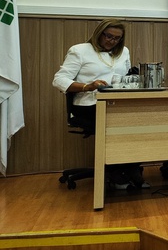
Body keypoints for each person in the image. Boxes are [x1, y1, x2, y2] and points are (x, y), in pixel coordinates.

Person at [52, 19, 147, 189]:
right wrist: (87, 86)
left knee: (142, 120)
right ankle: (119, 173)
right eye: (108, 36)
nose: (112, 41)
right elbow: (59, 80)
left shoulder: (123, 52)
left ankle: (129, 167)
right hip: (89, 104)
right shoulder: (80, 51)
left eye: (117, 38)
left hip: (117, 104)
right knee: (121, 123)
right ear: (99, 34)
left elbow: (125, 77)